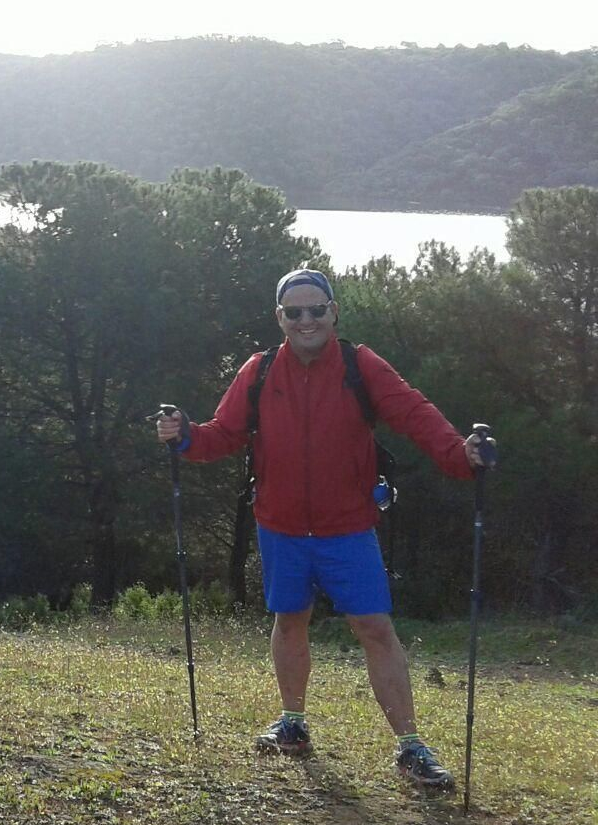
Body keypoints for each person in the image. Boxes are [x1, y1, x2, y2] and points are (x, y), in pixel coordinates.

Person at [155, 268, 492, 789]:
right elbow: (222, 434)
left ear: (334, 312)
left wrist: (460, 455)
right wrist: (183, 437)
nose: (306, 320)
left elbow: (415, 414)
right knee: (289, 621)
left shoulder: (362, 365)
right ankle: (292, 722)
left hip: (347, 529)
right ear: (280, 318)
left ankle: (410, 745)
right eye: (295, 312)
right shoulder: (260, 371)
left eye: (317, 310)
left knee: (375, 628)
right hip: (281, 527)